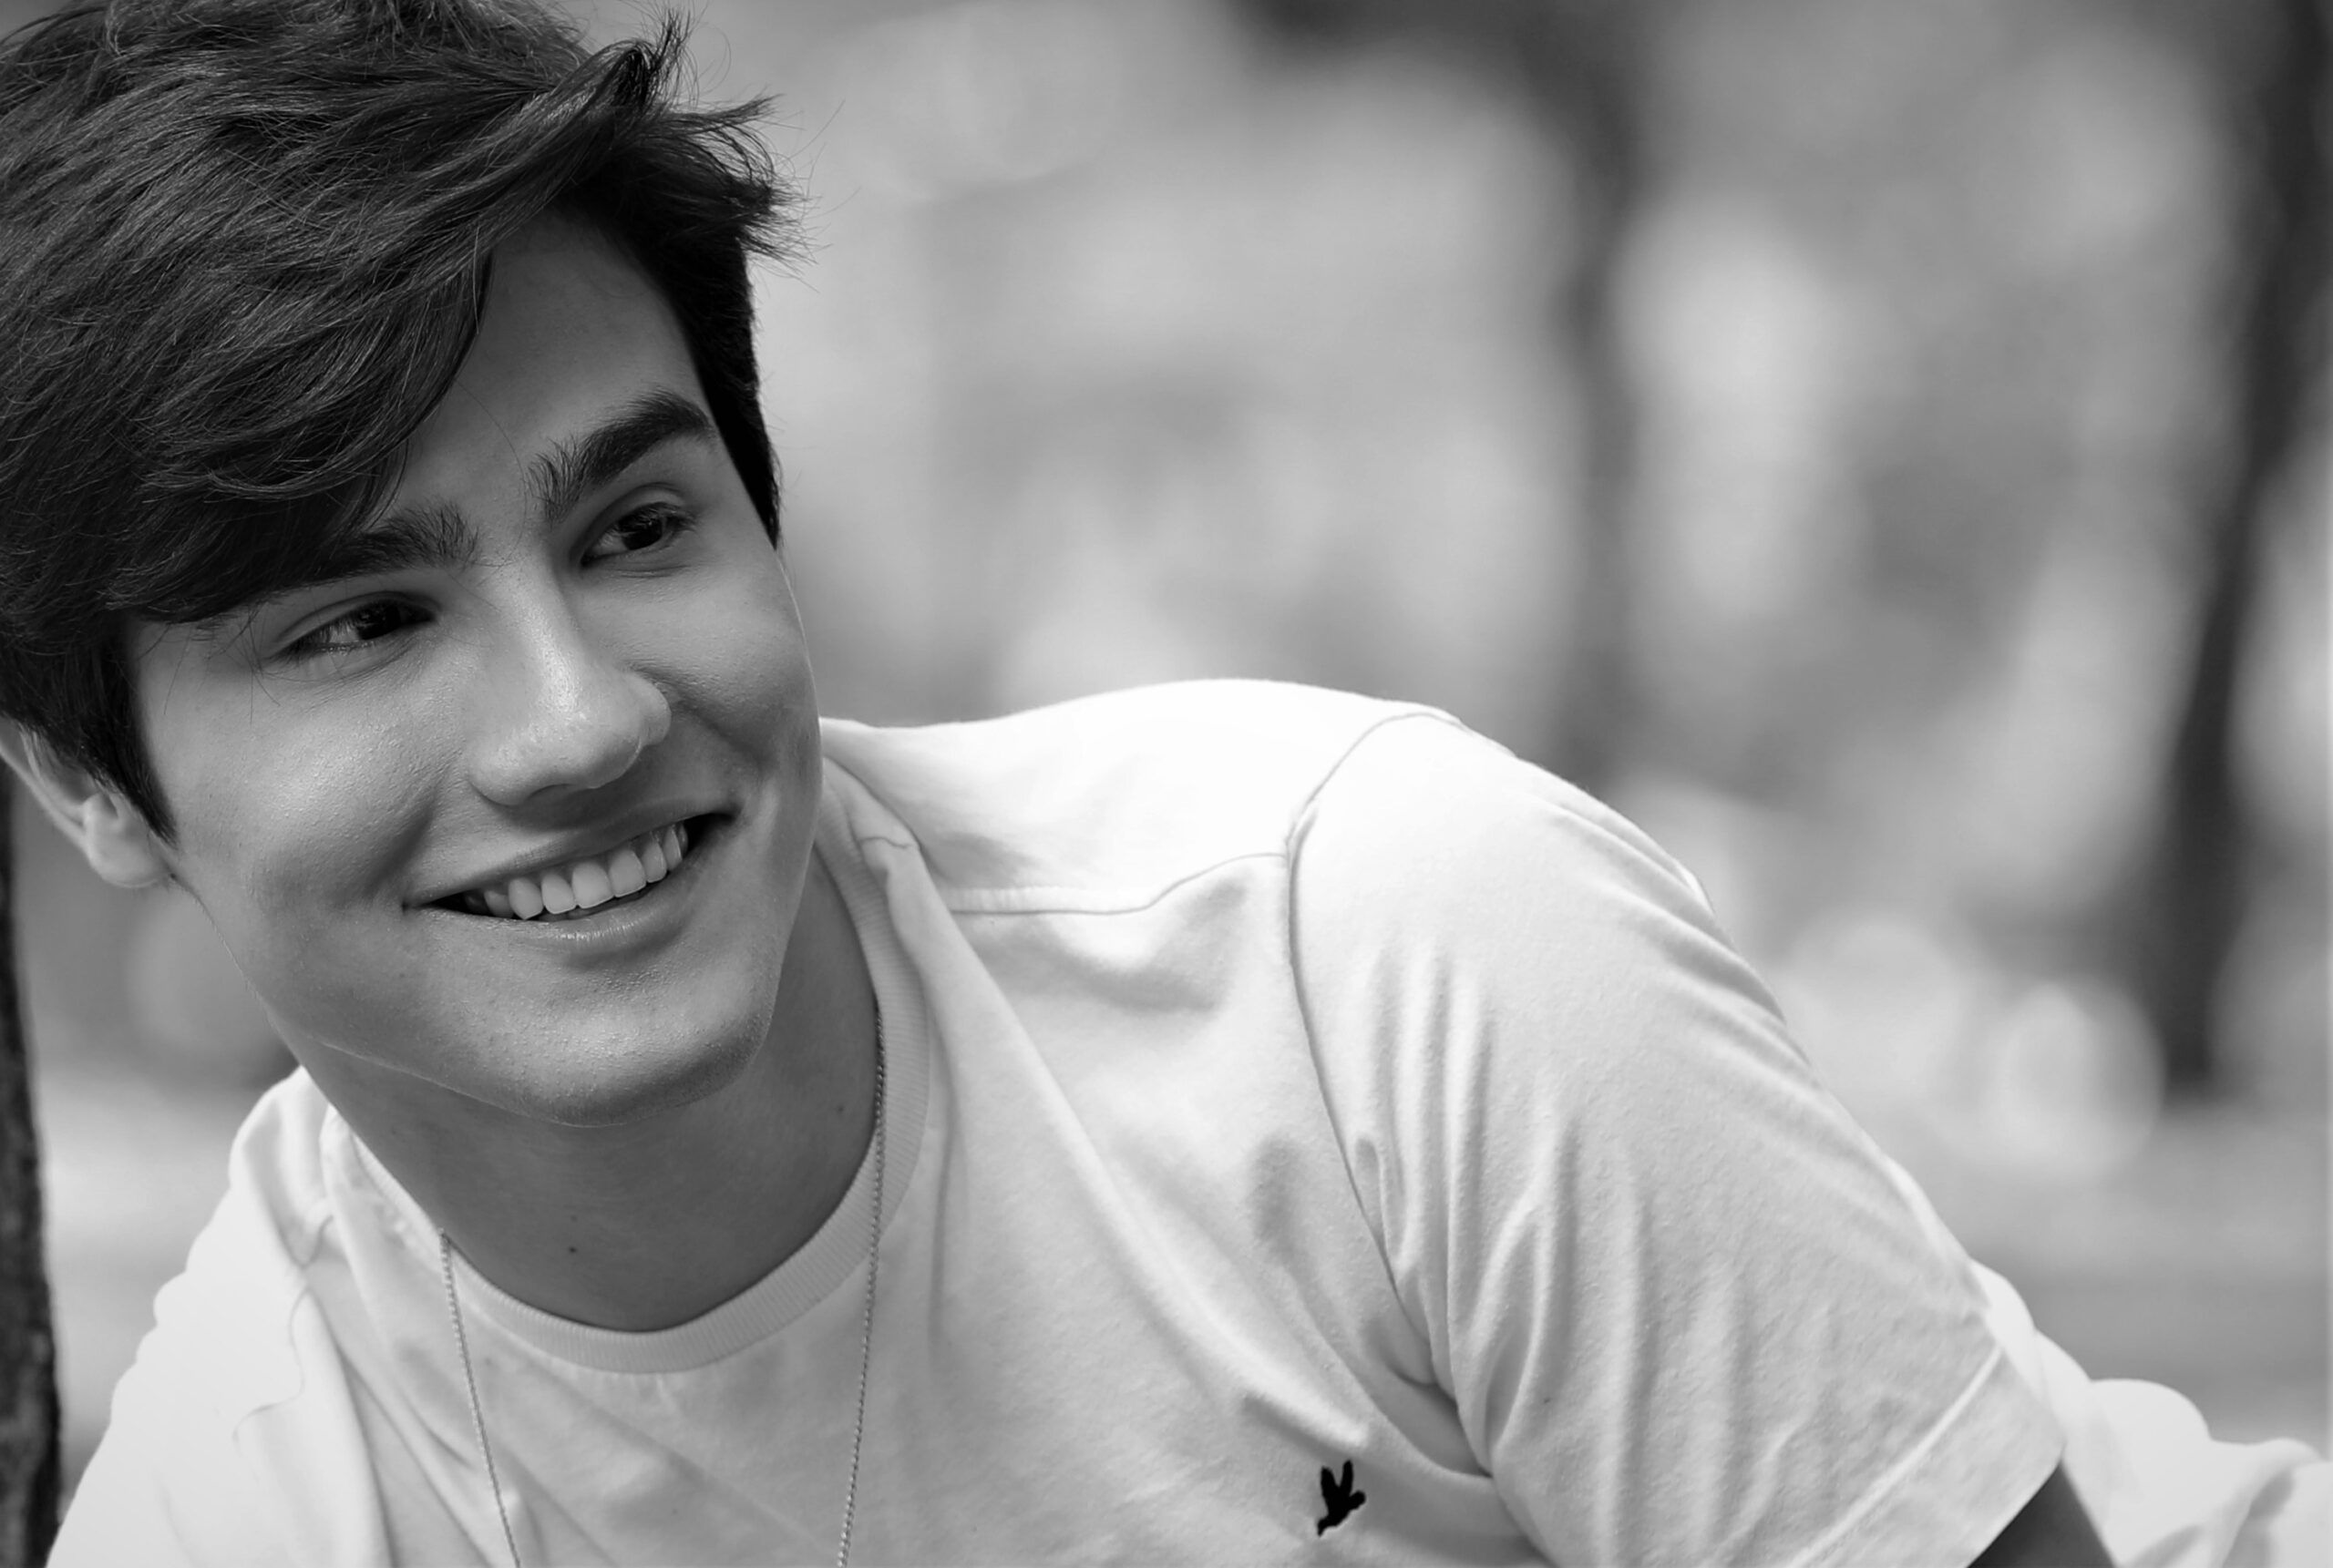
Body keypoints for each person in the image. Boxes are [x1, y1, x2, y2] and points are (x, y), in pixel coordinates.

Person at [0, 2, 2318, 1564]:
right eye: (357, 623)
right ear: (91, 784)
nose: (582, 721)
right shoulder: (268, 1474)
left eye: (634, 528)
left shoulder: (1366, 954)